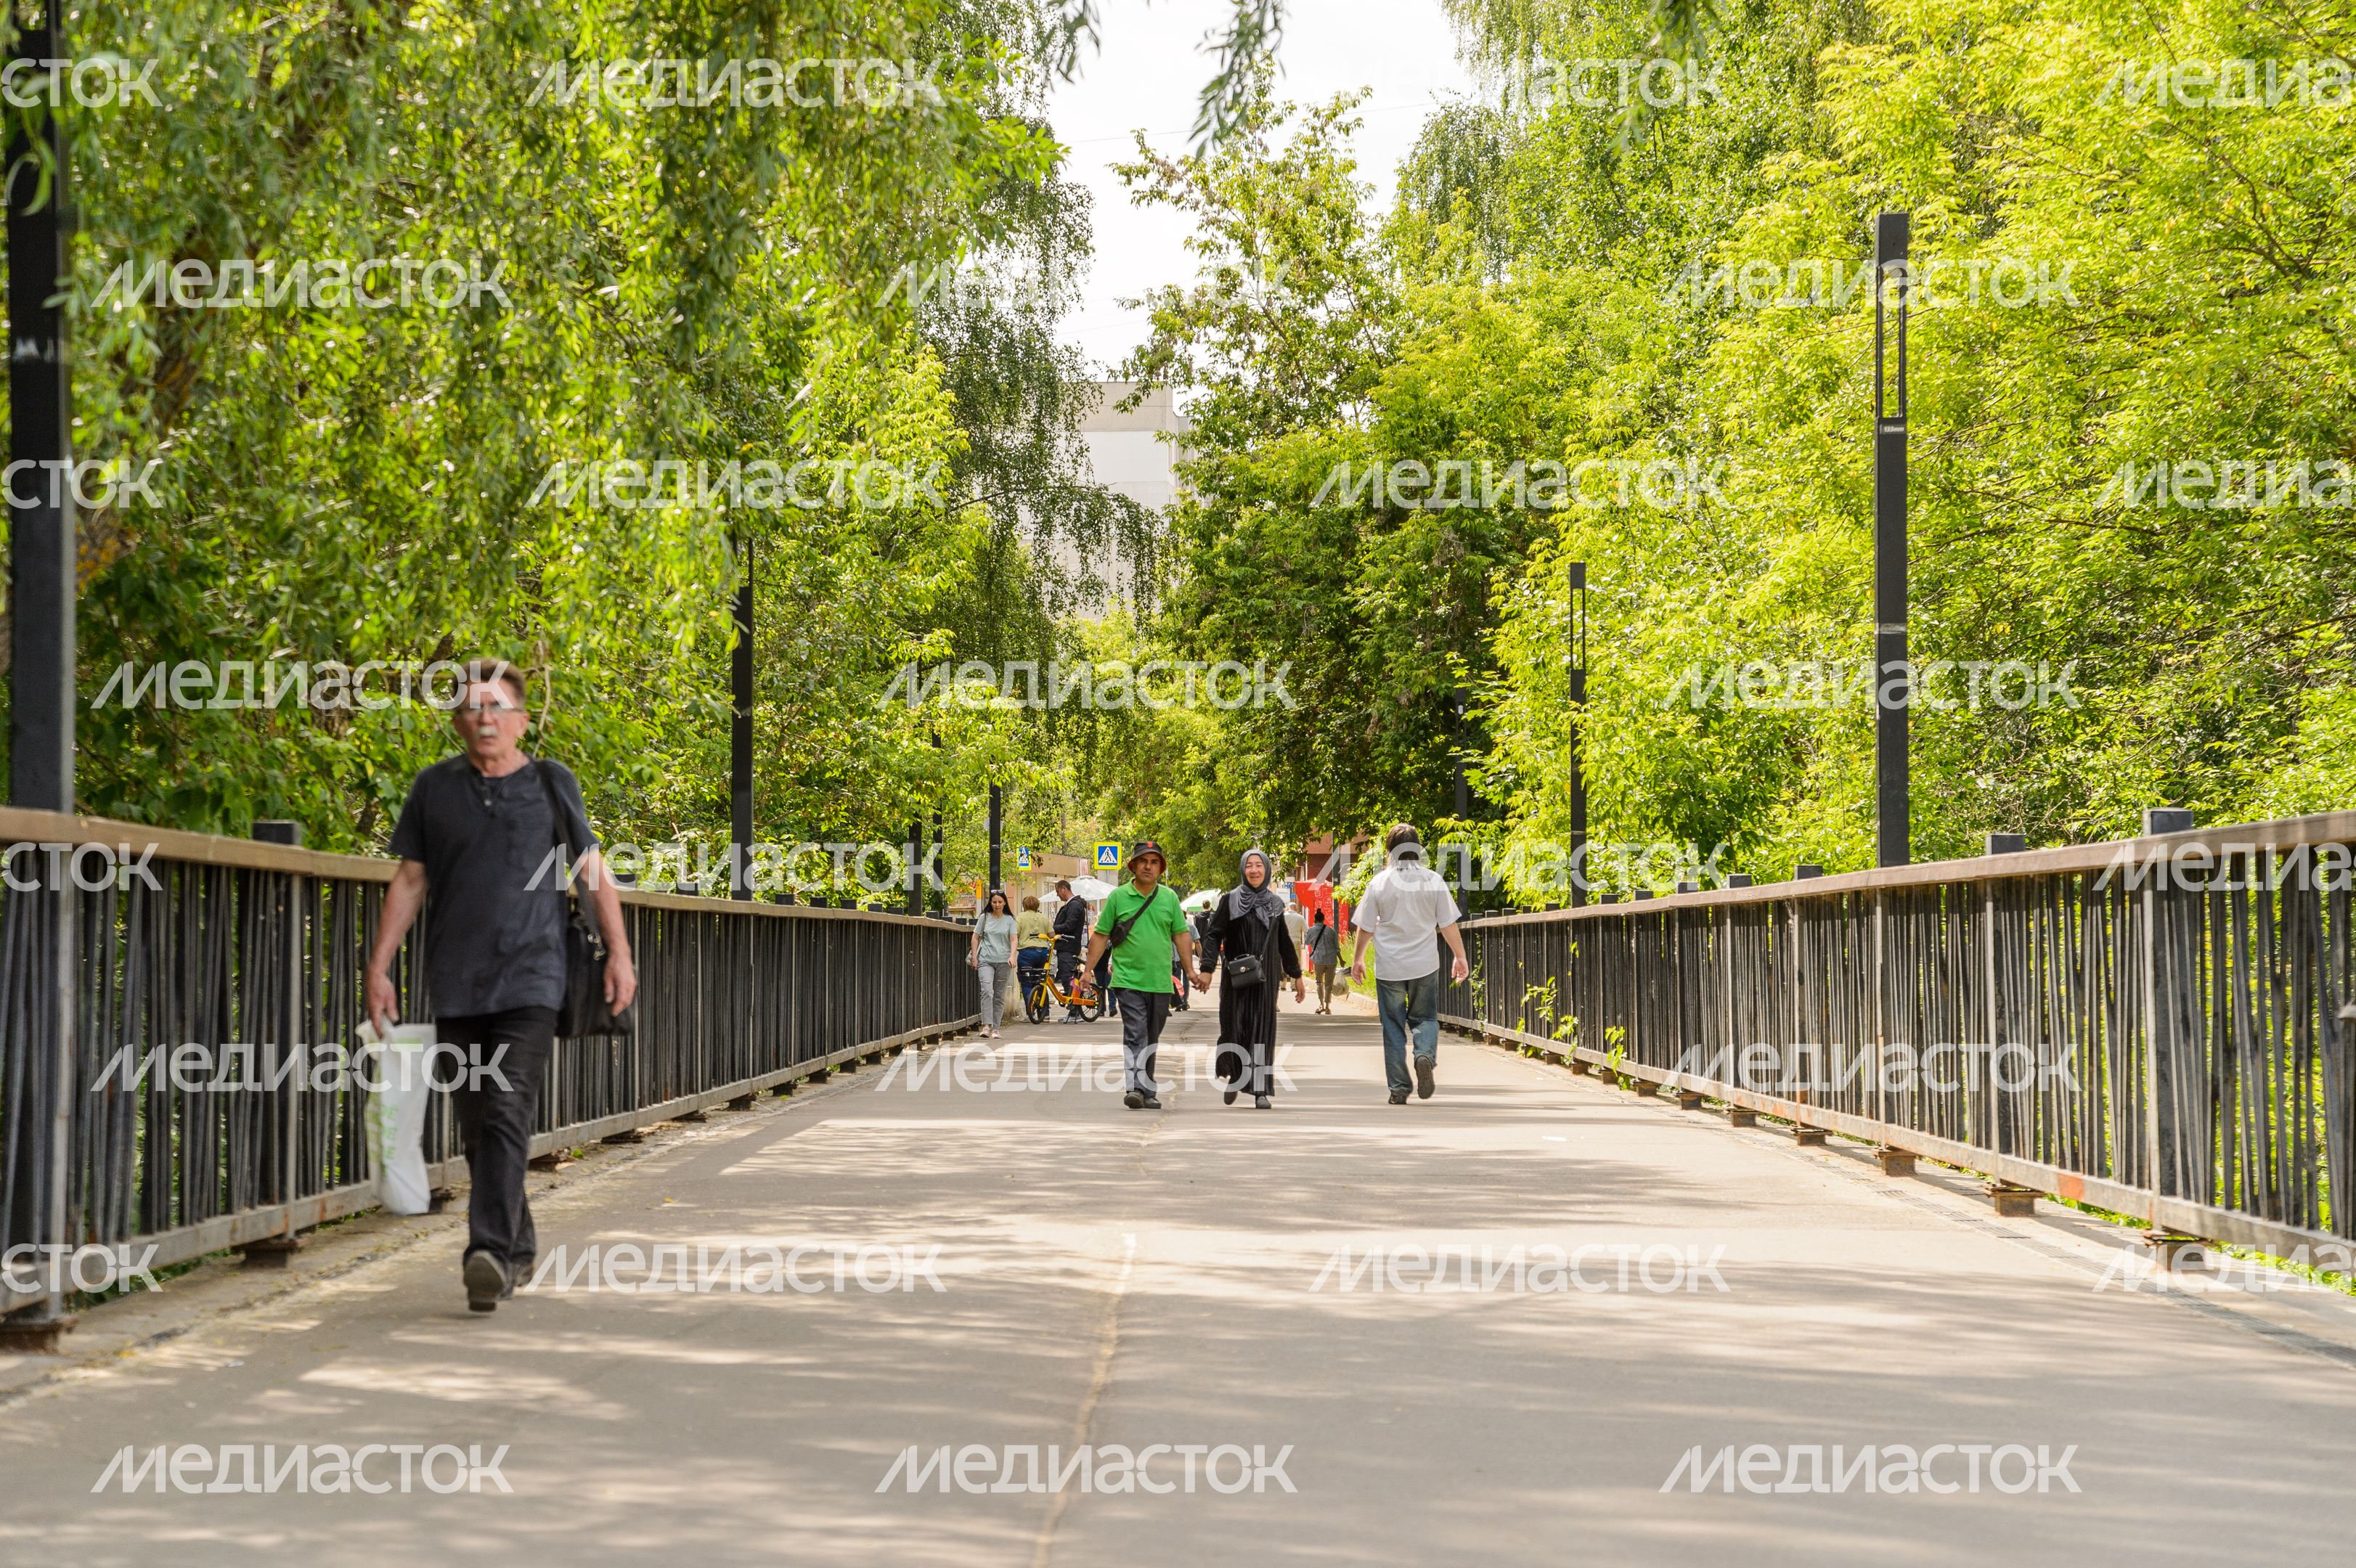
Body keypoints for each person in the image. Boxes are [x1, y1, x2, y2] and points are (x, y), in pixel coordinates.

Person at [364, 658, 638, 1314]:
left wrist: (620, 954)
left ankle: (484, 1251)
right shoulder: (434, 788)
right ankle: (514, 1248)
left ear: (519, 720)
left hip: (533, 977)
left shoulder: (550, 782)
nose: (484, 718)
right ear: (458, 722)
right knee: (476, 1127)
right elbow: (409, 880)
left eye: (496, 707)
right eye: (470, 708)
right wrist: (378, 967)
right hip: (455, 982)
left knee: (508, 1109)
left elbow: (589, 869)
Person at [1348, 824, 1470, 1105]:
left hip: (1389, 967)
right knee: (1425, 1018)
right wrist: (1459, 956)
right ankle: (1424, 1055)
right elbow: (1448, 923)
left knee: (1392, 1027)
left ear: (1390, 850)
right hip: (1424, 964)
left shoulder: (1379, 883)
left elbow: (1365, 927)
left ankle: (1399, 1089)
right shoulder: (1433, 880)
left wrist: (1357, 960)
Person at [1083, 841, 1199, 1109]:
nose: (1148, 866)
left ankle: (1147, 1089)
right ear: (1133, 866)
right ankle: (1135, 1087)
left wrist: (1190, 970)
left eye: (1154, 862)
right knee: (1136, 1033)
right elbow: (1101, 936)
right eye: (1143, 861)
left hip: (1160, 981)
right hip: (1127, 979)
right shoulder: (1118, 897)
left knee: (1151, 1035)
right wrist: (1088, 970)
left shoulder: (1169, 898)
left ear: (1160, 868)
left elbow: (1181, 935)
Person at [1197, 849, 1305, 1109]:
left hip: (1265, 979)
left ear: (1267, 870)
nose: (1254, 870)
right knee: (1234, 1028)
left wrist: (1297, 975)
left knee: (1261, 1031)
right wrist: (1207, 968)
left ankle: (1260, 1091)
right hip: (1235, 978)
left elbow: (1284, 943)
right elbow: (1213, 936)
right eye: (1249, 866)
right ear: (1243, 870)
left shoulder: (1276, 905)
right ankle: (1235, 1077)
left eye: (1259, 865)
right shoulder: (1230, 900)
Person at [970, 888, 1018, 1037]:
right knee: (987, 991)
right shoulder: (984, 918)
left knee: (999, 995)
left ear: (1004, 903)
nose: (997, 905)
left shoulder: (1010, 920)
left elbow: (1014, 939)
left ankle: (996, 1029)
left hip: (1004, 961)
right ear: (991, 903)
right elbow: (975, 937)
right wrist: (975, 958)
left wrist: (1012, 956)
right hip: (986, 960)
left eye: (1000, 902)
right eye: (994, 902)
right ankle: (986, 1026)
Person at [1051, 878, 1091, 1022]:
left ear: (1064, 889)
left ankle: (1075, 1012)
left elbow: (1069, 925)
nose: (1058, 895)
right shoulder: (1071, 905)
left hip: (1068, 946)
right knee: (1068, 977)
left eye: (1058, 892)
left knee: (1069, 978)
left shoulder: (1074, 906)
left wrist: (1053, 929)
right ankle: (1073, 1010)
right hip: (1065, 946)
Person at [1015, 894, 1054, 1014]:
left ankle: (1030, 1012)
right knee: (1041, 982)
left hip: (1026, 953)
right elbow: (1052, 935)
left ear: (1025, 906)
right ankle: (1045, 1013)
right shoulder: (1044, 918)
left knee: (1026, 984)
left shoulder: (1021, 917)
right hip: (1043, 953)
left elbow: (1015, 935)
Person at [1303, 907, 1341, 1013]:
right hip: (1331, 960)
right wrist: (1341, 960)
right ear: (1324, 919)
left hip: (1319, 960)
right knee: (1329, 984)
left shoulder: (1311, 930)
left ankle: (1321, 1004)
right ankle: (1328, 1007)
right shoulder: (1331, 930)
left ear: (1315, 920)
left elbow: (1306, 943)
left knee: (1320, 982)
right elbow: (1337, 947)